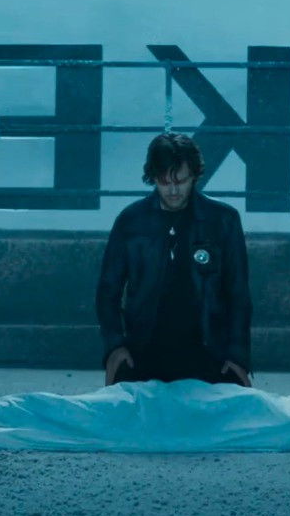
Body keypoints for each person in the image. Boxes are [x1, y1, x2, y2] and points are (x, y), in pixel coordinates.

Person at [96, 132, 253, 388]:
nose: (172, 190)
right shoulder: (131, 221)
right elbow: (107, 291)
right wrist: (115, 347)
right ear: (153, 178)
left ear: (194, 176)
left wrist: (237, 357)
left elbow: (238, 295)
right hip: (143, 351)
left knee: (237, 405)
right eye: (163, 181)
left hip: (208, 350)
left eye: (180, 181)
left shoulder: (223, 221)